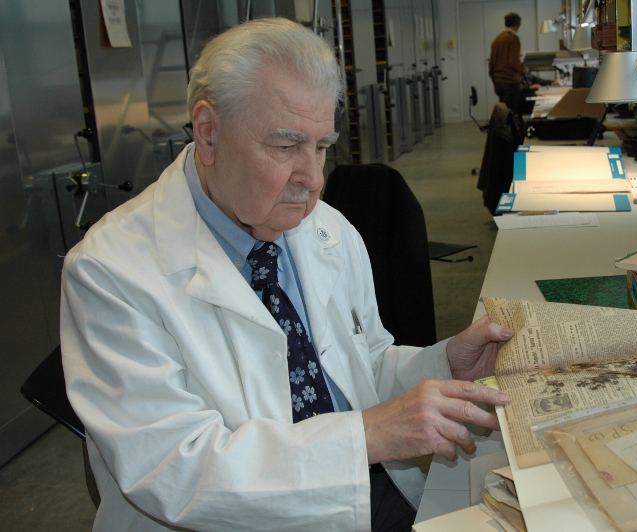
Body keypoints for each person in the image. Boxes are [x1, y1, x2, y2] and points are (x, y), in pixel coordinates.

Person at [60, 17, 513, 532]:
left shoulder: (324, 228)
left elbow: (361, 366)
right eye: (285, 147)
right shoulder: (110, 272)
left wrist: (443, 364)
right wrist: (364, 436)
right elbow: (173, 471)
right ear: (208, 133)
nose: (314, 179)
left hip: (356, 489)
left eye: (321, 146)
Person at [489, 12, 527, 114]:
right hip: (510, 82)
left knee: (504, 114)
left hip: (499, 82)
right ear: (518, 25)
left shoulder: (497, 39)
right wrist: (524, 70)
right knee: (511, 114)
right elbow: (513, 62)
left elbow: (491, 65)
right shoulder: (513, 38)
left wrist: (495, 84)